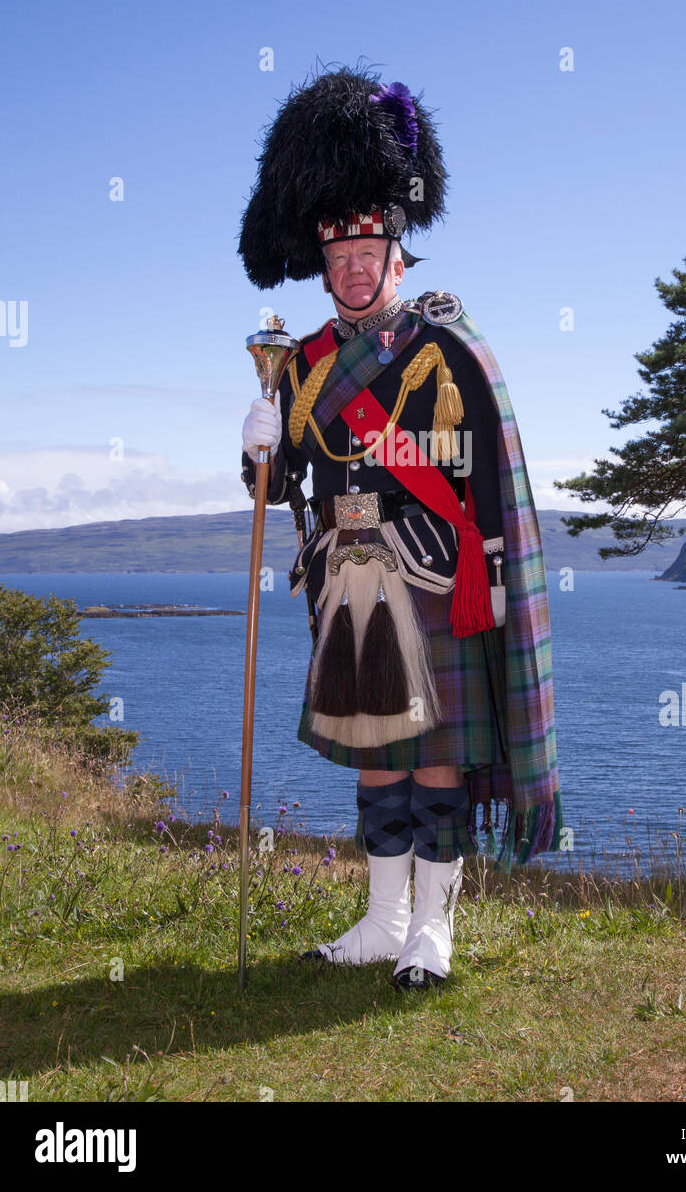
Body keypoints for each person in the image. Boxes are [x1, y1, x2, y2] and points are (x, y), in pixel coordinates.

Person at [237, 66, 562, 990]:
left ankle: (434, 930)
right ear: (323, 262)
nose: (350, 269)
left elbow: (490, 476)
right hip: (345, 575)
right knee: (376, 760)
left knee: (438, 763)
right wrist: (257, 445)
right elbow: (284, 488)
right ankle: (381, 921)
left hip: (431, 576)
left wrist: (489, 582)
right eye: (336, 257)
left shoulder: (443, 344)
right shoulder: (294, 366)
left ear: (396, 256)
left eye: (366, 253)